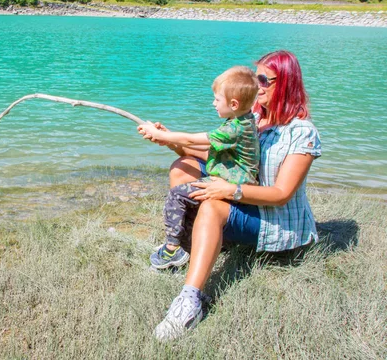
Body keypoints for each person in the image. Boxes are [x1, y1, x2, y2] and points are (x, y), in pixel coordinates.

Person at [141, 50, 321, 341]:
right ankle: (188, 248)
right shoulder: (253, 117)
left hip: (274, 221)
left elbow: (281, 194)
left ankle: (189, 301)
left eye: (264, 78)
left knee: (212, 206)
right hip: (244, 200)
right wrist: (171, 141)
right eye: (255, 76)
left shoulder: (301, 133)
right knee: (182, 166)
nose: (256, 83)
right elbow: (213, 152)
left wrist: (228, 190)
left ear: (285, 82)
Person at [138, 66, 260, 270]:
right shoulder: (243, 120)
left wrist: (162, 135)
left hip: (232, 185)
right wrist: (168, 138)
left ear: (234, 103)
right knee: (187, 197)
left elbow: (193, 139)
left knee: (177, 196)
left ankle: (172, 249)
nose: (213, 103)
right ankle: (191, 244)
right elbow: (200, 146)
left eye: (217, 99)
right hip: (233, 181)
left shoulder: (235, 129)